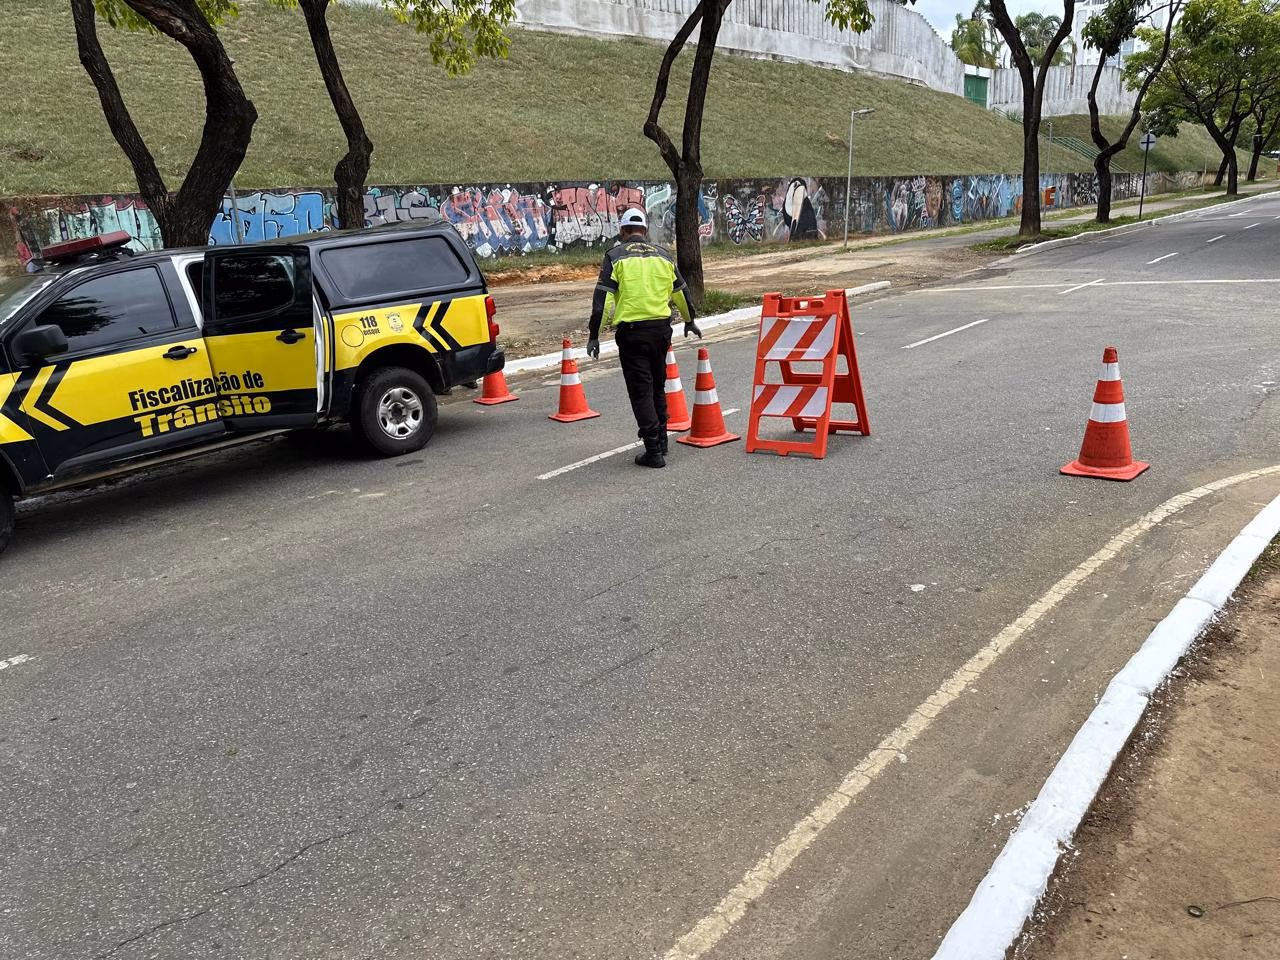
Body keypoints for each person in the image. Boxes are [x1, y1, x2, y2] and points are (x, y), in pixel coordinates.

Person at [586, 208, 701, 468]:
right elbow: (681, 293)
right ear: (645, 232)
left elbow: (602, 302)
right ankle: (661, 441)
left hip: (633, 334)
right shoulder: (664, 256)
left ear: (622, 231)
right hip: (661, 331)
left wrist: (594, 335)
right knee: (658, 386)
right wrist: (689, 320)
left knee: (641, 391)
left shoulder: (615, 256)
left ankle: (653, 451)